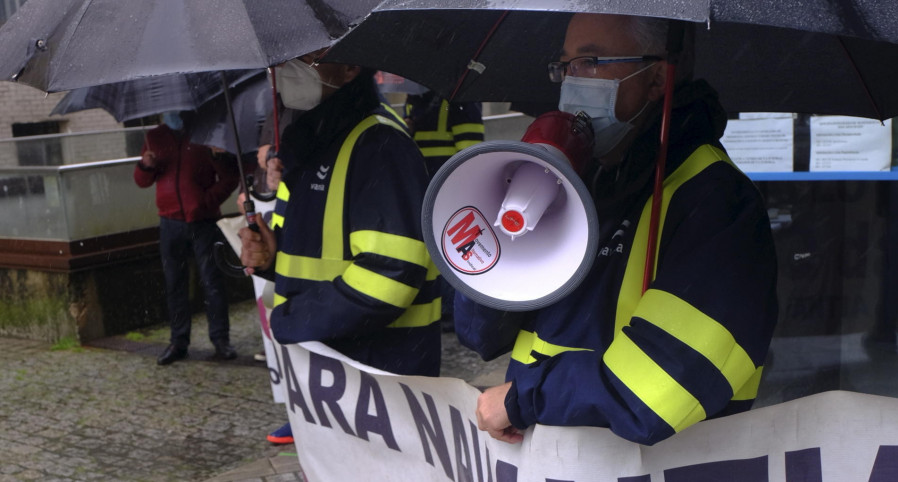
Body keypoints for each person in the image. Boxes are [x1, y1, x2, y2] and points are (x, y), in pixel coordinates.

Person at [457, 13, 778, 446]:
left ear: (658, 77)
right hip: (554, 457)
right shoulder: (583, 180)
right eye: (566, 64)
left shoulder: (716, 202)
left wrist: (523, 400)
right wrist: (503, 232)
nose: (573, 80)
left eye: (591, 60)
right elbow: (479, 333)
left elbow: (659, 388)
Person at [239, 50, 443, 443]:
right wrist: (271, 260)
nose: (287, 68)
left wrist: (292, 317)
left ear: (351, 66)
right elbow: (318, 259)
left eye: (307, 58)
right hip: (334, 380)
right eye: (284, 57)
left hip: (381, 381)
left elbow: (390, 275)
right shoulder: (317, 141)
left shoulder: (379, 143)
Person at [134, 111, 240, 366]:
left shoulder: (206, 134)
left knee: (212, 282)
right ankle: (178, 342)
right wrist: (146, 166)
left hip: (202, 222)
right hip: (170, 223)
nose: (173, 113)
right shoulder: (154, 137)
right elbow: (141, 181)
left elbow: (229, 177)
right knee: (174, 284)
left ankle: (220, 340)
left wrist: (205, 203)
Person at [403, 90, 485, 333]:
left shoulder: (445, 100)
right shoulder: (429, 100)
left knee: (443, 247)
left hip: (435, 185)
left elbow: (470, 151)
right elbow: (470, 150)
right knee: (445, 248)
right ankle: (447, 309)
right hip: (436, 186)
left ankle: (447, 309)